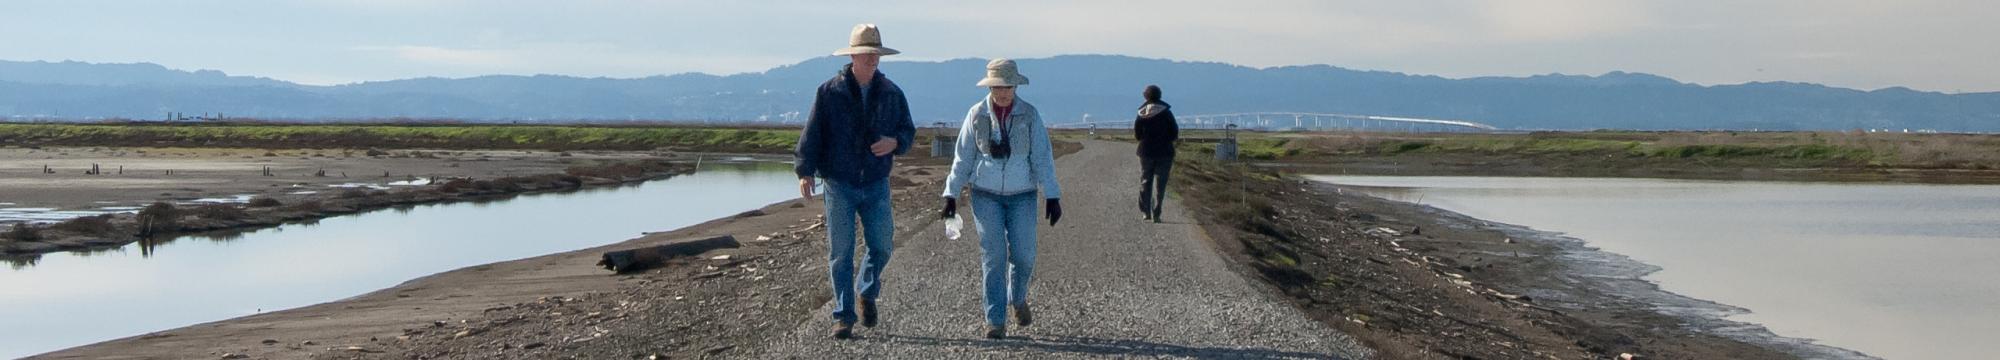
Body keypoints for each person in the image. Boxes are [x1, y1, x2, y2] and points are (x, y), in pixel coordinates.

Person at [794, 23, 915, 340]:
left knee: (883, 245)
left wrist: (894, 143)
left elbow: (907, 132)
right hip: (839, 183)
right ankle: (843, 317)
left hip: (875, 182)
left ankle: (866, 290)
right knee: (841, 253)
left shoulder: (892, 93)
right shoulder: (829, 92)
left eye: (876, 54)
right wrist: (805, 171)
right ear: (853, 55)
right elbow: (813, 134)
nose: (872, 59)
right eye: (866, 54)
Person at [940, 58, 1063, 339]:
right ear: (990, 86)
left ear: (1016, 85)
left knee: (1024, 255)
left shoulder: (1030, 116)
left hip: (1022, 195)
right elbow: (963, 158)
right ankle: (994, 319)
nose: (1003, 91)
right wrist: (951, 194)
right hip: (985, 195)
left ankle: (1017, 298)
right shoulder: (976, 115)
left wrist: (1052, 195)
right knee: (993, 256)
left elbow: (1042, 158)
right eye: (998, 86)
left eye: (1008, 85)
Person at [1133, 85, 1179, 222]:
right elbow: (1174, 132)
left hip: (1146, 151)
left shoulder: (1141, 113)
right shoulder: (1166, 112)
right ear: (1159, 95)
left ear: (1146, 96)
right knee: (1161, 183)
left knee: (1145, 181)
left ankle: (1146, 211)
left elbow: (1137, 134)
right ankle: (1157, 211)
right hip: (1165, 152)